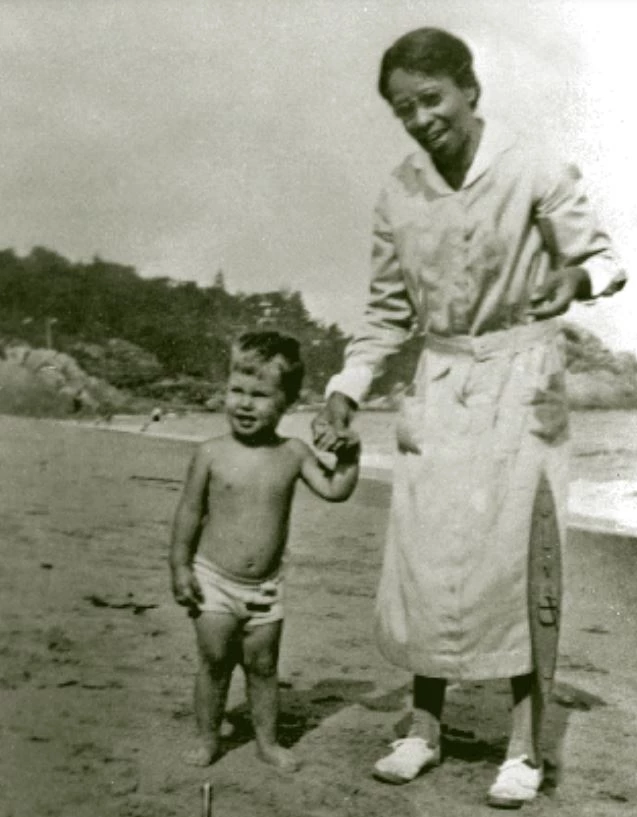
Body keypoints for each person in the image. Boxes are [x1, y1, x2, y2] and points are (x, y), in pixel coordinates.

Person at [312, 27, 626, 809]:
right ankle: (422, 727)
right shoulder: (398, 192)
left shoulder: (532, 166)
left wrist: (572, 281)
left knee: (521, 556)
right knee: (428, 557)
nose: (419, 119)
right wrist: (346, 388)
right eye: (402, 109)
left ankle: (525, 745)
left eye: (431, 99)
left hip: (529, 378)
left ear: (468, 90)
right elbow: (386, 315)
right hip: (439, 377)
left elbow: (609, 260)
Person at [169, 330, 360, 771]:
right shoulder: (211, 453)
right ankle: (207, 738)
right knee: (214, 662)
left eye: (260, 394)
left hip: (266, 587)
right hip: (213, 578)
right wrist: (179, 566)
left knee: (263, 666)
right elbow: (188, 514)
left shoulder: (292, 453)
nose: (245, 403)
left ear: (287, 402)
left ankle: (267, 742)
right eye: (237, 390)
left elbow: (335, 490)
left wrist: (352, 456)